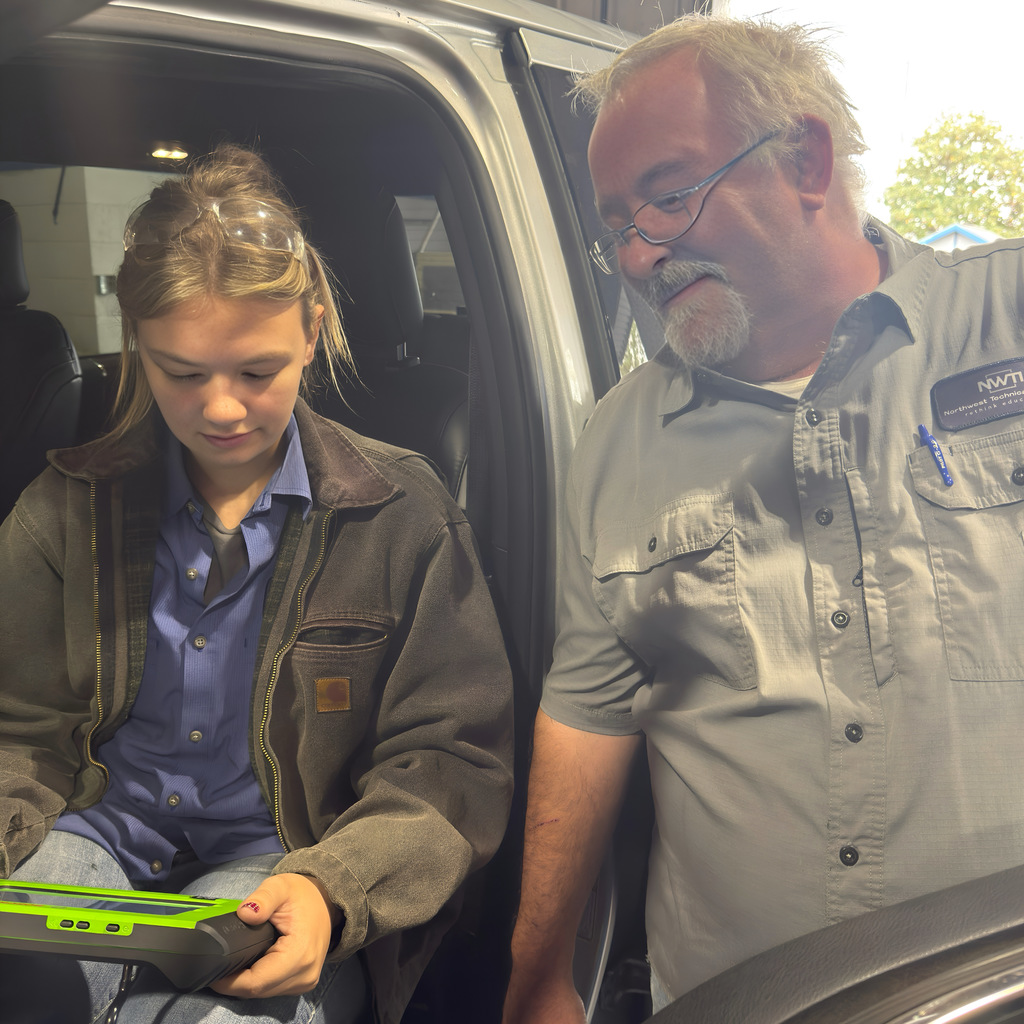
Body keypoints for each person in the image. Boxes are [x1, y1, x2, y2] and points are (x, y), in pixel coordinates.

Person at [502, 13, 1024, 1023]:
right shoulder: (616, 443)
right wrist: (537, 975)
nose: (638, 252)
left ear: (806, 159)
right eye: (614, 222)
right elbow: (587, 714)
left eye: (667, 193)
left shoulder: (1004, 318)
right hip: (738, 1001)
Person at [0, 143, 514, 1024]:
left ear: (311, 331)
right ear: (137, 346)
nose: (223, 409)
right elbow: (21, 725)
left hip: (286, 858)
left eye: (257, 371)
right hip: (89, 831)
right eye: (182, 372)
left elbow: (449, 766)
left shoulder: (403, 516)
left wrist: (335, 888)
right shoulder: (63, 506)